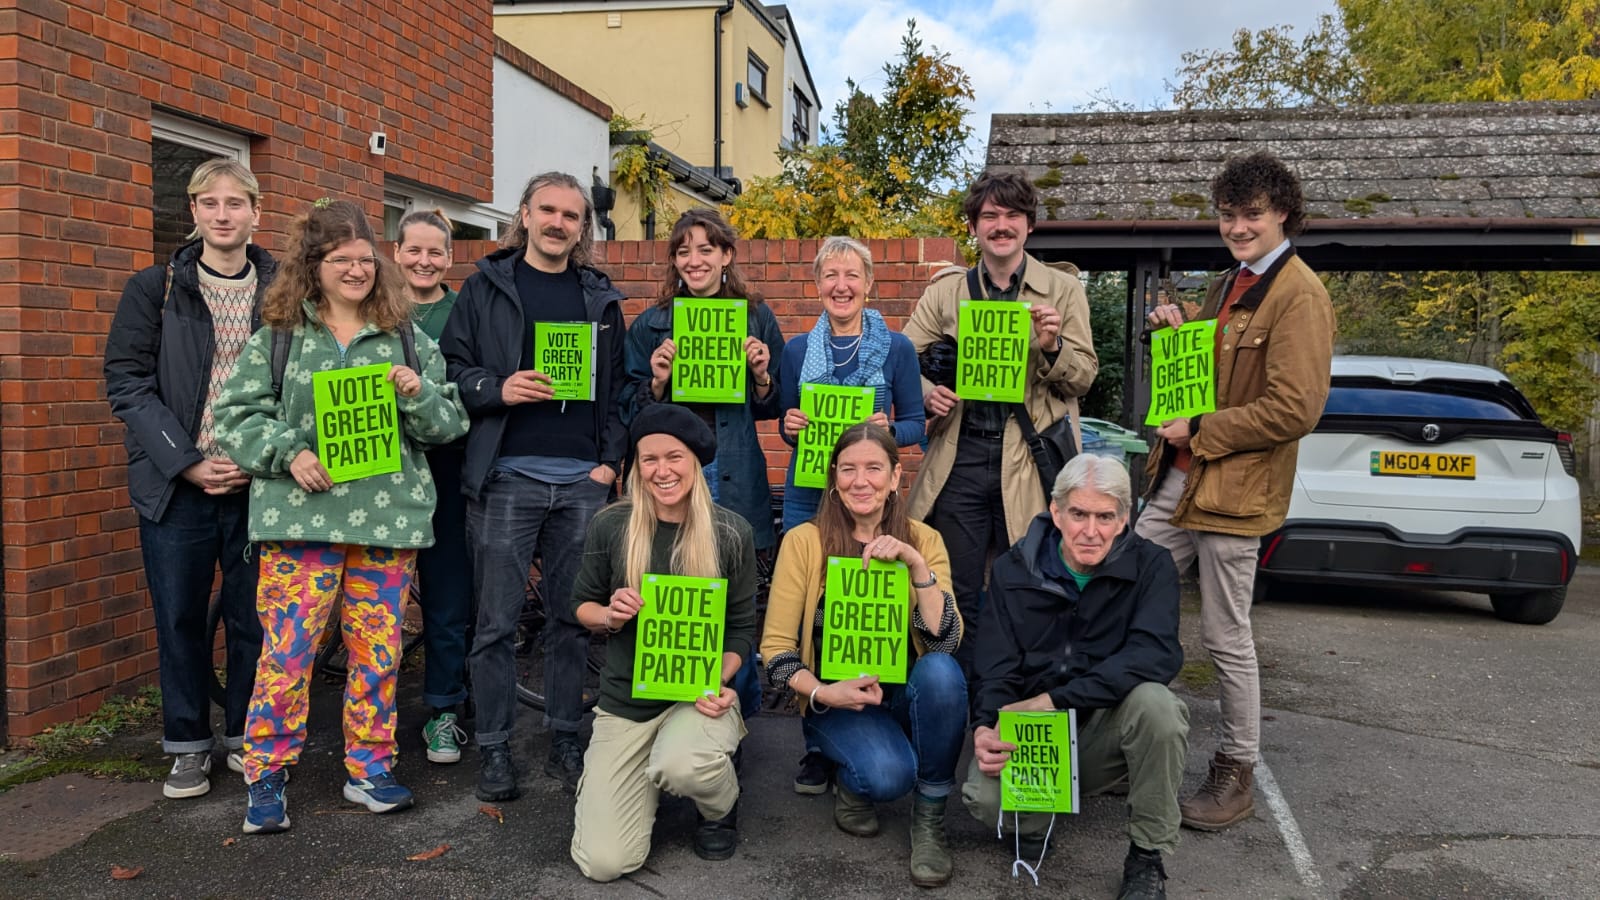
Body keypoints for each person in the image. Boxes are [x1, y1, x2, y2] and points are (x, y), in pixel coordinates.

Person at [212, 199, 468, 833]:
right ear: (313, 265)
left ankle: (370, 767)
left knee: (378, 653)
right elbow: (234, 416)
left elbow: (450, 423)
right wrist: (289, 451)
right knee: (288, 653)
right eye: (340, 260)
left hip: (387, 528)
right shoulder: (278, 338)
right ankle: (266, 772)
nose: (356, 270)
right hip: (301, 524)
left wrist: (419, 393)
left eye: (364, 259)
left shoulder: (408, 336)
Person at [1137, 151, 1334, 831]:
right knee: (1128, 593)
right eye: (1228, 215)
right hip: (1178, 480)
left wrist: (1202, 427)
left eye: (1251, 214)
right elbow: (1223, 358)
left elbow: (1295, 408)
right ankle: (1125, 744)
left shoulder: (1299, 293)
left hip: (1234, 492)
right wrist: (1184, 326)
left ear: (1282, 213)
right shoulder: (1233, 284)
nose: (1238, 226)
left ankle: (1236, 769)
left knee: (1225, 635)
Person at [439, 172, 628, 799]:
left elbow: (621, 389)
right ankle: (494, 747)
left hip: (582, 485)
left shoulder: (599, 298)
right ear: (524, 214)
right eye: (547, 210)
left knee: (570, 621)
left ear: (582, 228)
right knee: (493, 622)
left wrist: (609, 464)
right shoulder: (485, 286)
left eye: (570, 216)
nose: (557, 223)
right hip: (506, 478)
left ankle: (565, 733)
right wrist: (498, 389)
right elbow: (452, 367)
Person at [104, 158, 277, 799]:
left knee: (252, 616)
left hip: (260, 483)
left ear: (257, 212)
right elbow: (127, 383)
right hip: (177, 485)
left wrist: (261, 459)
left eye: (236, 203)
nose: (224, 214)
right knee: (177, 616)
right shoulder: (155, 287)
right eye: (211, 204)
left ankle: (243, 733)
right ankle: (185, 744)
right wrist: (189, 461)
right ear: (195, 212)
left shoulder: (284, 289)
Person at [962, 455, 1188, 900]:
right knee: (985, 802)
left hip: (1104, 722)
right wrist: (985, 725)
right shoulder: (1013, 568)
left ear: (1124, 519)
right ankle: (1037, 813)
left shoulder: (1153, 567)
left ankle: (1147, 856)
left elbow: (1155, 655)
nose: (1090, 530)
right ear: (1056, 511)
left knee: (1159, 708)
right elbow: (995, 663)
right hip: (1035, 731)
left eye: (1105, 517)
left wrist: (1054, 699)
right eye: (1079, 514)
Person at [902, 171, 1098, 681]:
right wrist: (928, 391)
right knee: (958, 587)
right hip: (960, 456)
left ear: (1029, 225)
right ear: (975, 226)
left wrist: (1053, 346)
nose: (1001, 225)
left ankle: (1014, 700)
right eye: (989, 216)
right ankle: (959, 703)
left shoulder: (1063, 289)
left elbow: (1084, 378)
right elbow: (901, 359)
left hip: (1030, 459)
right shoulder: (949, 291)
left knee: (1030, 585)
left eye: (1012, 215)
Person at [761, 422, 965, 887]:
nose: (861, 481)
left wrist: (916, 566)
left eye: (874, 469)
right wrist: (823, 693)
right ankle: (852, 778)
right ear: (833, 478)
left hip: (902, 693)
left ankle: (930, 818)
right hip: (835, 699)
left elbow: (945, 640)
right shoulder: (803, 541)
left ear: (896, 477)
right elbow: (775, 650)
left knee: (941, 671)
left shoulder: (925, 540)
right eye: (848, 469)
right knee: (888, 777)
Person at [567, 404, 757, 880]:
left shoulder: (731, 532)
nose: (661, 470)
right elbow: (581, 606)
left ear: (695, 461)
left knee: (683, 766)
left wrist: (720, 675)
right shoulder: (612, 525)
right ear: (636, 466)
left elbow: (739, 630)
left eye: (674, 457)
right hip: (627, 702)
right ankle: (643, 778)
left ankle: (718, 805)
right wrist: (610, 614)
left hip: (697, 696)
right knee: (604, 862)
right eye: (648, 459)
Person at [622, 207, 783, 714]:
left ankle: (741, 708)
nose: (694, 260)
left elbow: (775, 406)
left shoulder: (756, 317)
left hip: (734, 464)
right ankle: (675, 705)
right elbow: (629, 410)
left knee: (736, 593)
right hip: (674, 469)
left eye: (706, 249)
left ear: (726, 256)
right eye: (684, 250)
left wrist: (760, 374)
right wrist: (655, 380)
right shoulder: (652, 324)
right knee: (677, 586)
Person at [778, 236, 925, 531]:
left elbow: (916, 424)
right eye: (831, 275)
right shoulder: (796, 350)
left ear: (868, 284)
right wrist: (790, 426)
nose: (841, 286)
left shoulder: (897, 348)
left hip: (869, 495)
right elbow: (787, 426)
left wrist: (890, 430)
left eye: (852, 276)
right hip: (808, 496)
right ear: (818, 285)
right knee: (805, 575)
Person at [395, 208, 472, 765]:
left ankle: (444, 710)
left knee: (448, 597)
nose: (424, 261)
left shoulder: (463, 310)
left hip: (448, 469)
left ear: (450, 257)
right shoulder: (371, 308)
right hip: (384, 476)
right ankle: (369, 717)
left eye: (435, 252)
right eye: (414, 250)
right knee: (374, 604)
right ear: (395, 252)